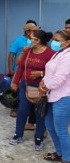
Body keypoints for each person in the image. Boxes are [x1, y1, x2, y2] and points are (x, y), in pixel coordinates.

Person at [9, 30, 55, 151]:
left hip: (41, 88)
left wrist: (41, 73)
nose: (29, 40)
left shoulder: (50, 54)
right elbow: (21, 67)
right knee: (22, 111)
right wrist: (15, 81)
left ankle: (38, 138)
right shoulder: (28, 51)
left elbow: (55, 72)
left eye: (32, 38)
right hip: (25, 85)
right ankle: (18, 135)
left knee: (40, 113)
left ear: (38, 41)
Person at [40, 29, 70, 163]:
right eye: (54, 39)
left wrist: (45, 86)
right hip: (51, 96)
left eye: (58, 40)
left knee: (61, 130)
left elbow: (59, 78)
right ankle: (60, 153)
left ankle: (67, 158)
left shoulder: (68, 56)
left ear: (67, 42)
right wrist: (43, 82)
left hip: (63, 97)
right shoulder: (57, 53)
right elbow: (49, 73)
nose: (54, 42)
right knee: (50, 126)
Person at [8, 21, 38, 118]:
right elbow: (11, 54)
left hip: (30, 72)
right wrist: (10, 69)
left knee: (28, 91)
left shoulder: (36, 40)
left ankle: (29, 111)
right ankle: (14, 108)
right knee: (17, 90)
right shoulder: (18, 40)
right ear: (28, 32)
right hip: (19, 70)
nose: (36, 32)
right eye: (34, 31)